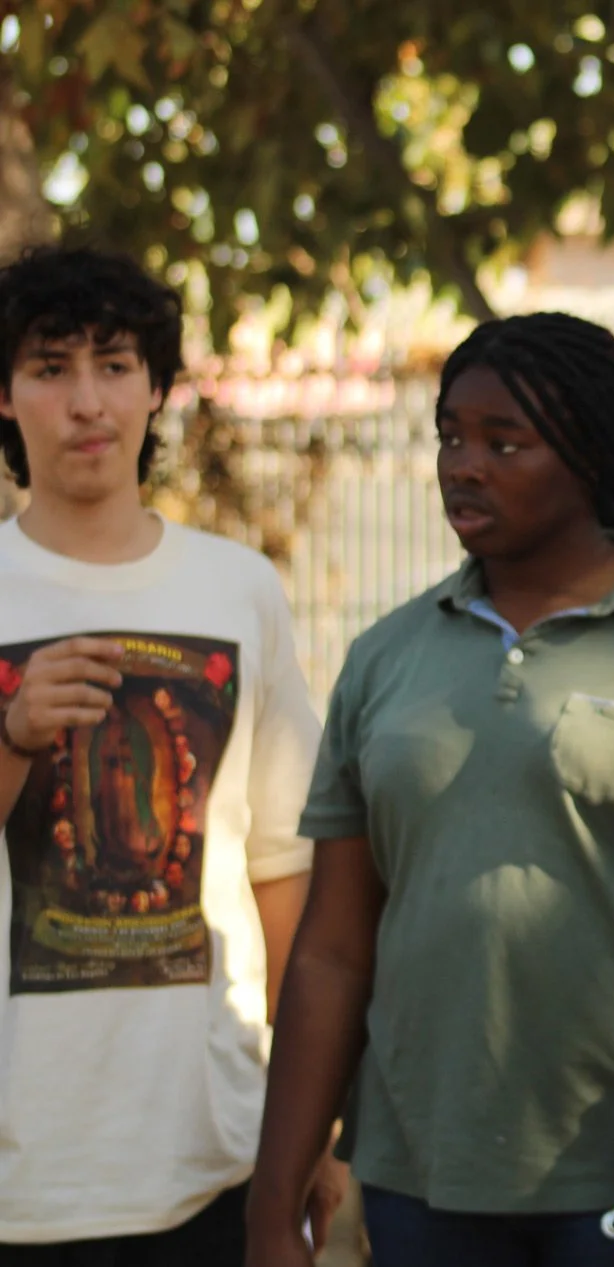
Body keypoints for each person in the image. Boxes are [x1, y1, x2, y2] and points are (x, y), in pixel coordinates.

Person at [245, 313, 614, 1267]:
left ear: (590, 455)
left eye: (504, 442)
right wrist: (271, 1210)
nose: (464, 465)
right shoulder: (387, 657)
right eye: (451, 436)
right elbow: (331, 954)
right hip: (422, 1177)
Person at [0, 245, 330, 1263]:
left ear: (157, 389)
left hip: (207, 1156)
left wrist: (311, 1123)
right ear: (5, 398)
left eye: (115, 363)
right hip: (19, 1173)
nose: (86, 400)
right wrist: (11, 736)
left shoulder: (238, 591)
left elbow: (287, 876)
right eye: (50, 368)